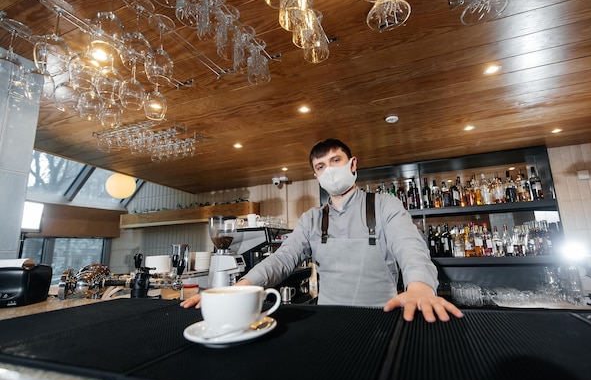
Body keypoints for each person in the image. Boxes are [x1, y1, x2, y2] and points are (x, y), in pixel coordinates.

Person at [182, 138, 463, 323]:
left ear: (352, 165)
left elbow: (410, 247)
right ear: (316, 176)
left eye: (335, 161)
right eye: (320, 166)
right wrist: (237, 289)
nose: (328, 170)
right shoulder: (312, 219)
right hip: (327, 321)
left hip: (382, 319)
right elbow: (282, 259)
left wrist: (420, 287)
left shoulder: (384, 205)